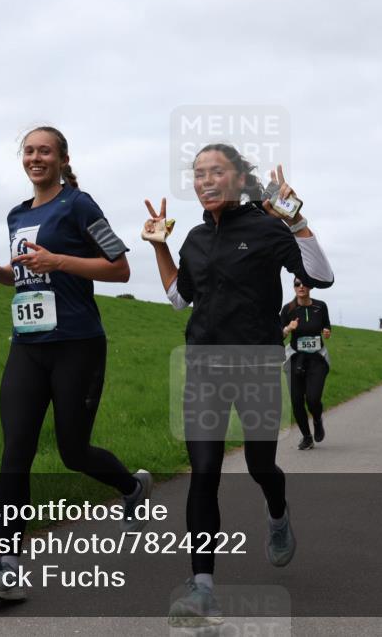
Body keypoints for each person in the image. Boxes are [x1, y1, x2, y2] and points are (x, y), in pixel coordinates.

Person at [144, 144, 334, 626]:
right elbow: (178, 299)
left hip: (255, 363)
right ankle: (202, 588)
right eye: (198, 173)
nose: (205, 180)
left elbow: (321, 276)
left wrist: (295, 220)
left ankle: (277, 511)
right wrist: (160, 246)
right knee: (204, 470)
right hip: (205, 366)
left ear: (239, 178)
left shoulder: (267, 227)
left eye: (216, 171)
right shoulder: (192, 237)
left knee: (259, 463)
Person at [0, 126, 152, 602]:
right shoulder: (15, 214)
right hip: (27, 345)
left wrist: (62, 261)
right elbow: (31, 273)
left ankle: (131, 487)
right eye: (29, 151)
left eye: (44, 151)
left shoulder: (80, 204)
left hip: (78, 345)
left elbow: (120, 268)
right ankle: (6, 565)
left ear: (61, 157)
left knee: (73, 451)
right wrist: (0, 275)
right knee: (16, 451)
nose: (36, 158)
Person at [280, 278, 332, 450]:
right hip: (296, 358)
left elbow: (327, 326)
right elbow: (279, 336)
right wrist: (288, 328)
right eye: (296, 284)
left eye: (304, 283)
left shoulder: (320, 306)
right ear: (294, 287)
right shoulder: (288, 309)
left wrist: (326, 332)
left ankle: (317, 419)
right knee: (296, 401)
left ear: (310, 286)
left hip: (317, 359)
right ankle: (307, 437)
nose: (301, 286)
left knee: (313, 398)